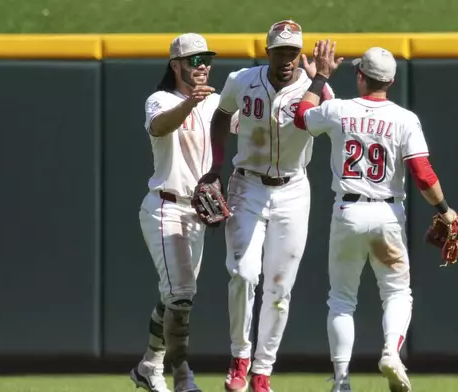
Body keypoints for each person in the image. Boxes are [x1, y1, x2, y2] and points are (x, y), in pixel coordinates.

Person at [293, 40, 458, 392]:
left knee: (341, 299)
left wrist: (318, 79)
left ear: (360, 76)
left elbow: (302, 117)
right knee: (397, 293)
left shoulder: (338, 110)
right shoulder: (404, 118)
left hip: (348, 212)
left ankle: (341, 381)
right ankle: (391, 353)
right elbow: (422, 173)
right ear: (390, 81)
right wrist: (444, 210)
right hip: (387, 213)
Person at [196, 20, 333, 392]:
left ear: (300, 53)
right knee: (242, 273)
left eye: (292, 51)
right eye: (280, 51)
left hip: (293, 190)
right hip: (247, 185)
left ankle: (262, 372)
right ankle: (240, 356)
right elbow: (222, 114)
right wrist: (215, 167)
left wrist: (319, 81)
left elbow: (327, 123)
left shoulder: (314, 88)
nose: (286, 59)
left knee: (279, 287)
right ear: (267, 52)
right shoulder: (242, 80)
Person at [130, 32, 222, 392]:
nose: (203, 66)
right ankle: (183, 375)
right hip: (164, 206)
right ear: (176, 65)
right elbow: (159, 126)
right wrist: (190, 104)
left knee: (175, 296)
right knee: (180, 293)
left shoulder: (214, 103)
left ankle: (149, 366)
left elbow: (241, 128)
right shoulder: (161, 99)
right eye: (195, 60)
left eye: (206, 59)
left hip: (197, 210)